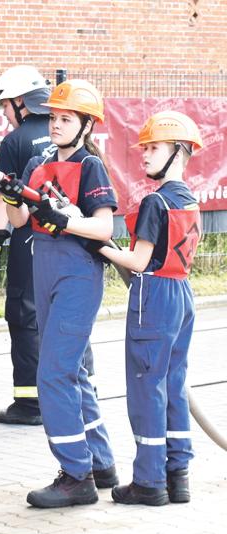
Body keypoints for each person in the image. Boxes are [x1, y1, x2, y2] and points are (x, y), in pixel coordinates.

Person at [0, 79, 118, 508]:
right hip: (42, 267)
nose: (57, 124)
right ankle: (100, 464)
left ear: (86, 126)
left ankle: (75, 476)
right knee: (75, 373)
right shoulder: (38, 160)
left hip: (77, 272)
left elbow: (104, 228)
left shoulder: (90, 167)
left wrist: (61, 218)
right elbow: (19, 219)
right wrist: (12, 195)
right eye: (55, 117)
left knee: (54, 374)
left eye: (67, 118)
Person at [97, 110, 203, 506]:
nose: (144, 154)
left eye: (153, 148)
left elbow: (140, 261)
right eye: (144, 147)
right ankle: (178, 476)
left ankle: (148, 482)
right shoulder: (188, 199)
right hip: (181, 293)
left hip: (153, 296)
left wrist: (101, 247)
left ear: (178, 152)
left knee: (146, 389)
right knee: (173, 385)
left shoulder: (156, 202)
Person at [0, 66, 53, 426]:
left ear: (21, 103)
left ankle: (29, 403)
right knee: (61, 315)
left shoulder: (15, 142)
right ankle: (76, 391)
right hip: (70, 241)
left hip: (30, 239)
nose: (4, 114)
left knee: (23, 314)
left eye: (5, 106)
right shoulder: (66, 130)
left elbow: (1, 202)